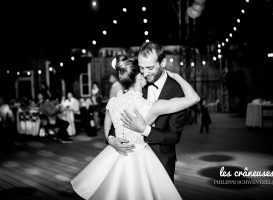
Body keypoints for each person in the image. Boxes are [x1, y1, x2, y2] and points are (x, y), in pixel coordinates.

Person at [71, 55, 200, 200]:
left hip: (117, 158)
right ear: (138, 77)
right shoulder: (151, 107)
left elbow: (107, 124)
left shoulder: (113, 102)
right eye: (142, 71)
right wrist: (176, 76)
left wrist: (110, 138)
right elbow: (194, 98)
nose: (145, 73)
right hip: (142, 161)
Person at [108, 41, 188, 181]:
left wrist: (144, 130)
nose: (144, 73)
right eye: (141, 68)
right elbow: (119, 116)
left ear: (162, 63)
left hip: (161, 159)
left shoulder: (177, 90)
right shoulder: (138, 83)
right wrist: (111, 139)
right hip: (130, 158)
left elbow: (174, 136)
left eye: (150, 67)